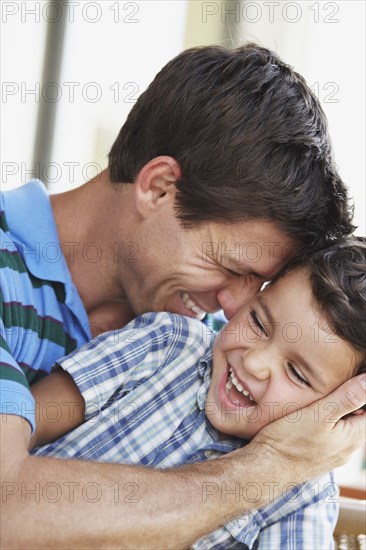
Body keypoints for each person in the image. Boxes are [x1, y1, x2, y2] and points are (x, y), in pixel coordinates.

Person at [1, 44, 365, 549]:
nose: (235, 308)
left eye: (259, 287)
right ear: (159, 187)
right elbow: (6, 507)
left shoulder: (211, 344)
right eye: (231, 267)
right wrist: (268, 467)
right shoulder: (165, 340)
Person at [29, 238, 366, 548]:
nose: (254, 362)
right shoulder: (166, 343)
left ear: (345, 411)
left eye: (296, 373)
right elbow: (23, 429)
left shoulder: (304, 494)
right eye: (259, 323)